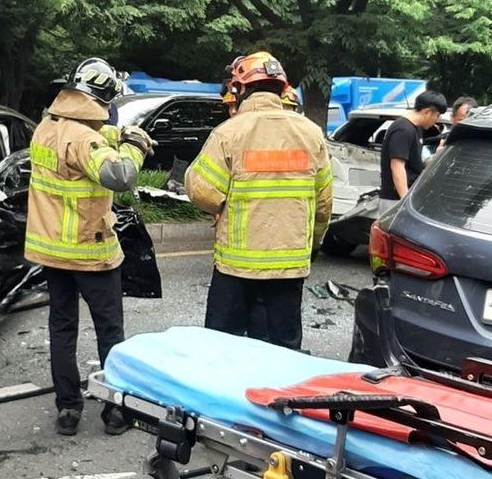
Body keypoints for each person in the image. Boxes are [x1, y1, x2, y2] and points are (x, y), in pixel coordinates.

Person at [24, 57, 155, 436]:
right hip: (90, 252)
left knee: (62, 329)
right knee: (109, 332)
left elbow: (85, 146)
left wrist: (118, 137)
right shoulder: (85, 139)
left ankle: (67, 409)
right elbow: (119, 174)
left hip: (52, 252)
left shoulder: (46, 128)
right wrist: (134, 147)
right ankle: (116, 411)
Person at [185, 52, 332, 350]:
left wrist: (220, 208)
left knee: (223, 349)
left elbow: (202, 191)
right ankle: (276, 397)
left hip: (236, 268)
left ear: (239, 89)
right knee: (281, 350)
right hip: (289, 266)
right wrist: (313, 245)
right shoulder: (311, 134)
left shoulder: (229, 132)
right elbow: (323, 203)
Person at [379, 90, 447, 214]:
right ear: (426, 112)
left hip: (407, 196)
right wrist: (405, 200)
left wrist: (438, 155)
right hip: (395, 200)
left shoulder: (416, 128)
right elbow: (397, 166)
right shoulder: (403, 130)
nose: (436, 121)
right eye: (437, 116)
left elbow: (417, 161)